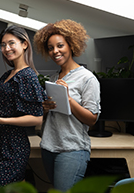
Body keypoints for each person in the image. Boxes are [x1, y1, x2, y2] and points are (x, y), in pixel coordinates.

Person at [33, 19, 100, 191]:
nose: (55, 51)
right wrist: (46, 109)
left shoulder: (87, 79)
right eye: (50, 48)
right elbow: (51, 116)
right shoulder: (52, 79)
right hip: (48, 147)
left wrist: (68, 98)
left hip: (72, 150)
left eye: (60, 46)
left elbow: (92, 119)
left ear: (71, 45)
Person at [0, 25, 46, 186]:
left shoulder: (27, 76)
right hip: (1, 143)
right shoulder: (8, 75)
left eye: (11, 43)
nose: (6, 48)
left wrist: (0, 121)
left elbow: (37, 119)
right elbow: (5, 105)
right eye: (3, 45)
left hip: (15, 146)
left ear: (24, 44)